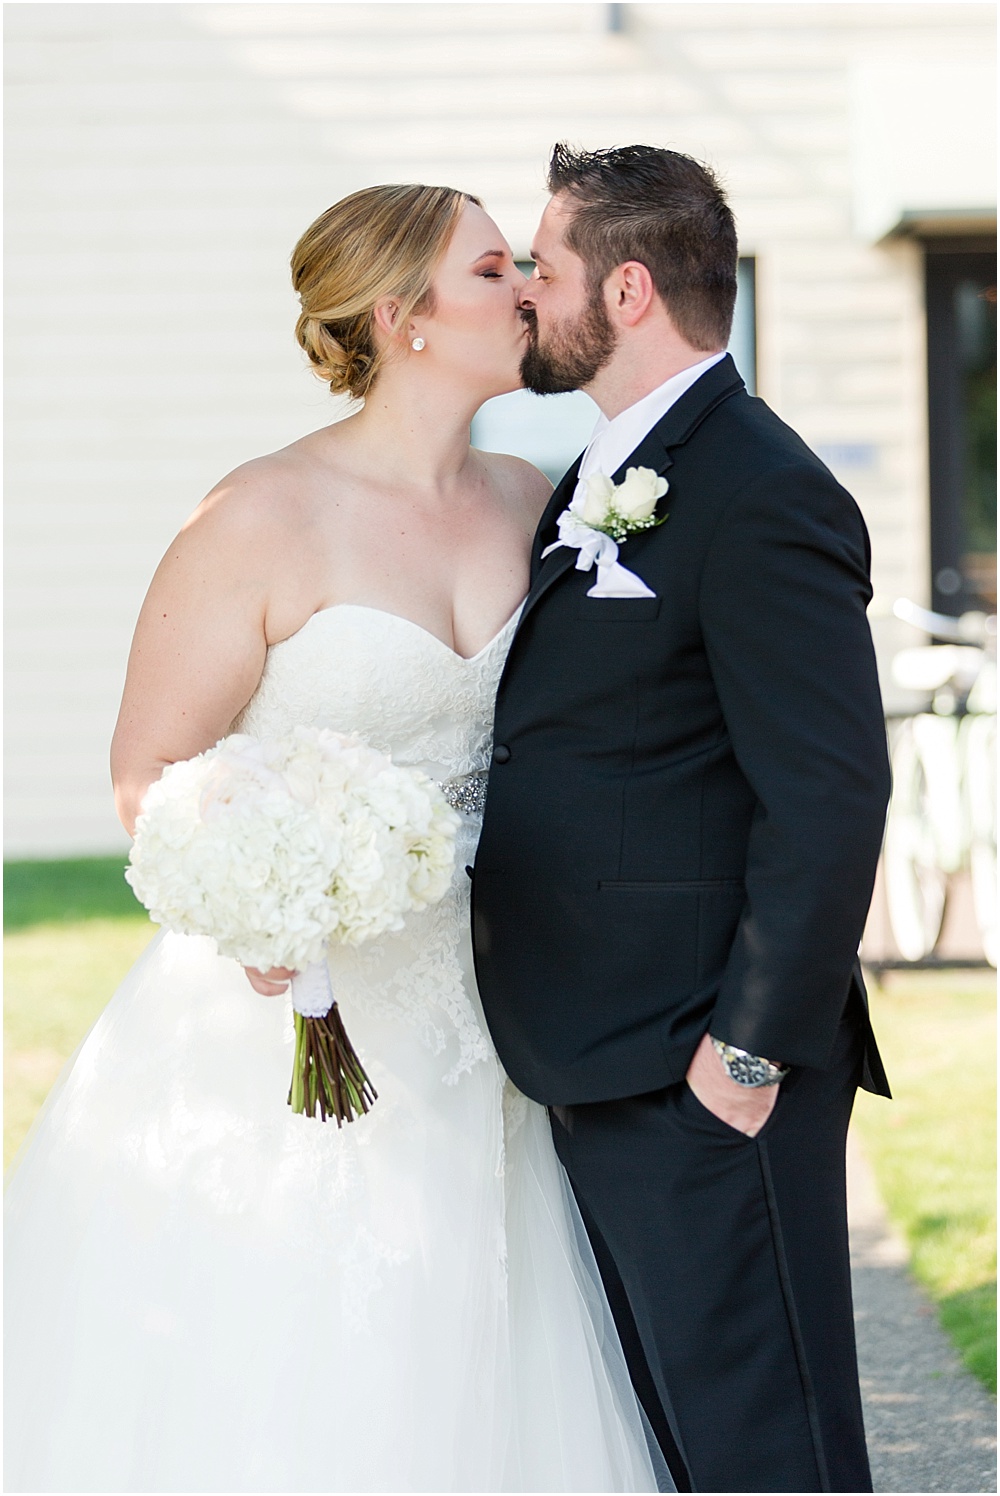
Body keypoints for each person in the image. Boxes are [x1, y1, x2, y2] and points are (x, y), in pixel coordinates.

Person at [4, 184, 667, 1493]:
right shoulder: (260, 514)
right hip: (292, 1017)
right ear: (403, 316)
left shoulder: (534, 500)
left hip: (494, 1009)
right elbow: (149, 770)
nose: (529, 289)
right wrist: (256, 912)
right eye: (495, 270)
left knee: (488, 1348)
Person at [472, 144, 892, 1495]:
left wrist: (746, 1057)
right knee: (678, 1450)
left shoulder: (763, 489)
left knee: (768, 1456)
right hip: (601, 1054)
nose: (527, 293)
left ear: (629, 290)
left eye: (545, 268)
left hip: (699, 1068)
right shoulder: (601, 472)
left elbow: (829, 793)